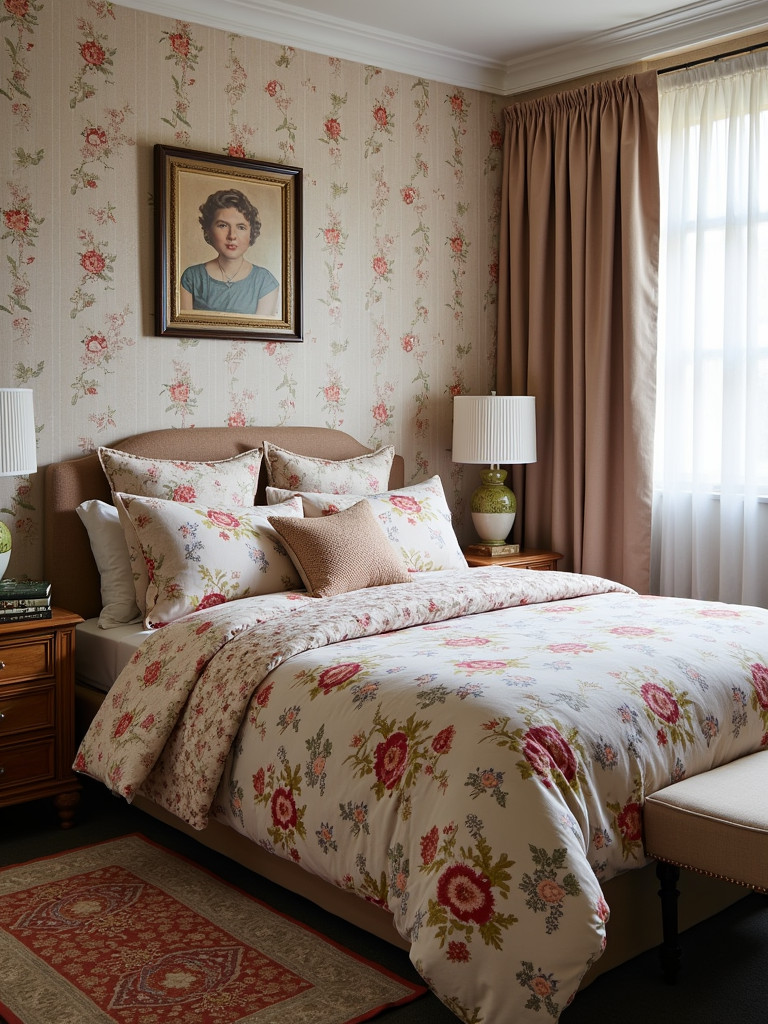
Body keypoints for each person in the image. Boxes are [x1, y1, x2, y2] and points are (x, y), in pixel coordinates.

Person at [180, 188, 279, 316]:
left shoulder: (265, 282)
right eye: (223, 225)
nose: (232, 236)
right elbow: (185, 332)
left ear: (251, 233)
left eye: (241, 227)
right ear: (208, 230)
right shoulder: (192, 278)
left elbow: (261, 334)